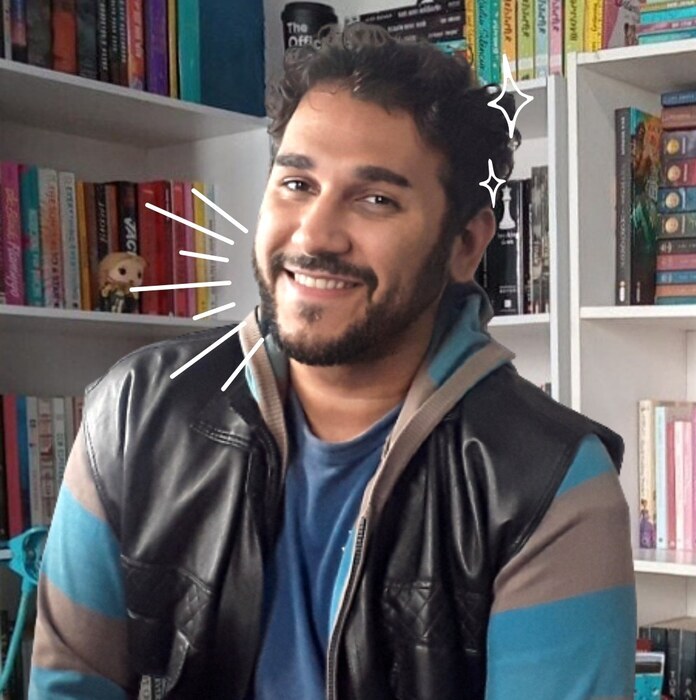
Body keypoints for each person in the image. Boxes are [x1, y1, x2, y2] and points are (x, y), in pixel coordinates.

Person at [29, 23, 636, 700]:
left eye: (376, 199)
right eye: (296, 183)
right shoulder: (134, 411)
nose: (315, 234)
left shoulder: (548, 483)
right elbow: (68, 687)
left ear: (465, 245)